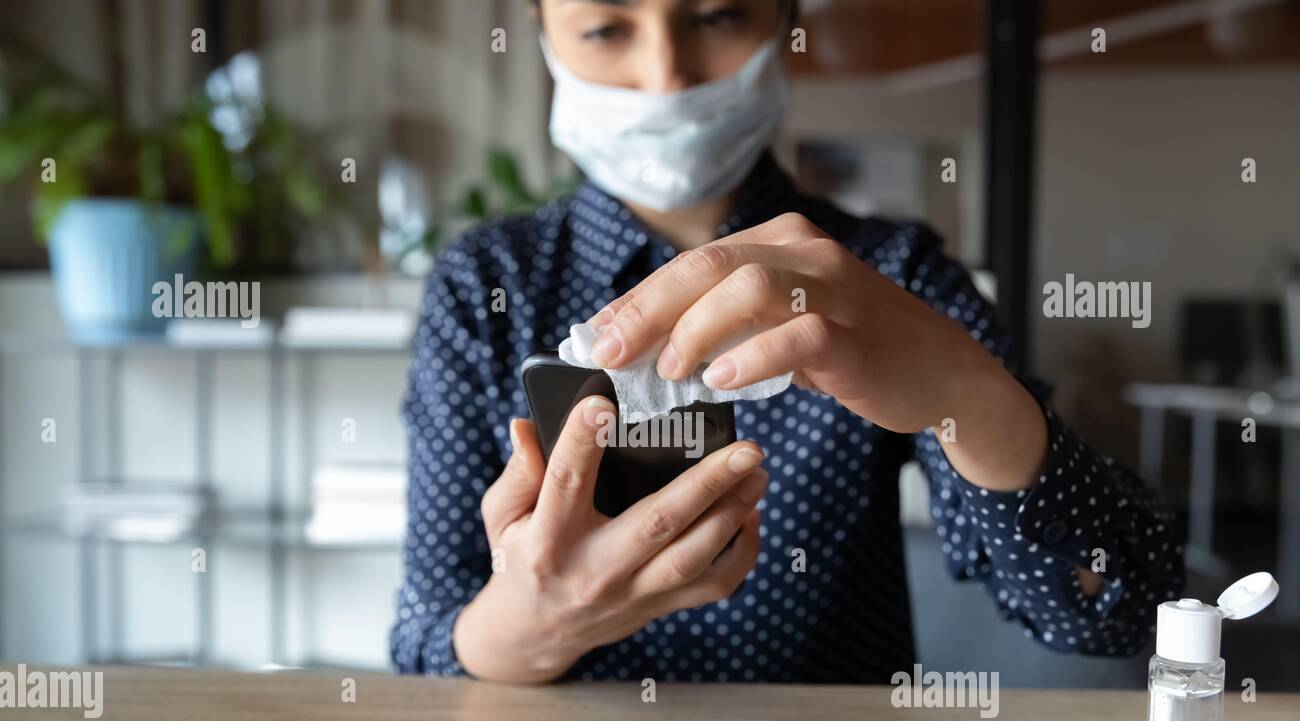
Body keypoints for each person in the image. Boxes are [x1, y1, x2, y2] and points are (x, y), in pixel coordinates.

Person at [390, 0, 1184, 684]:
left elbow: (1119, 613)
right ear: (540, 33)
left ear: (787, 19)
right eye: (604, 27)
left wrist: (971, 398)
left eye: (717, 15)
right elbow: (425, 636)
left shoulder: (894, 276)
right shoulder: (483, 285)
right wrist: (534, 623)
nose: (666, 74)